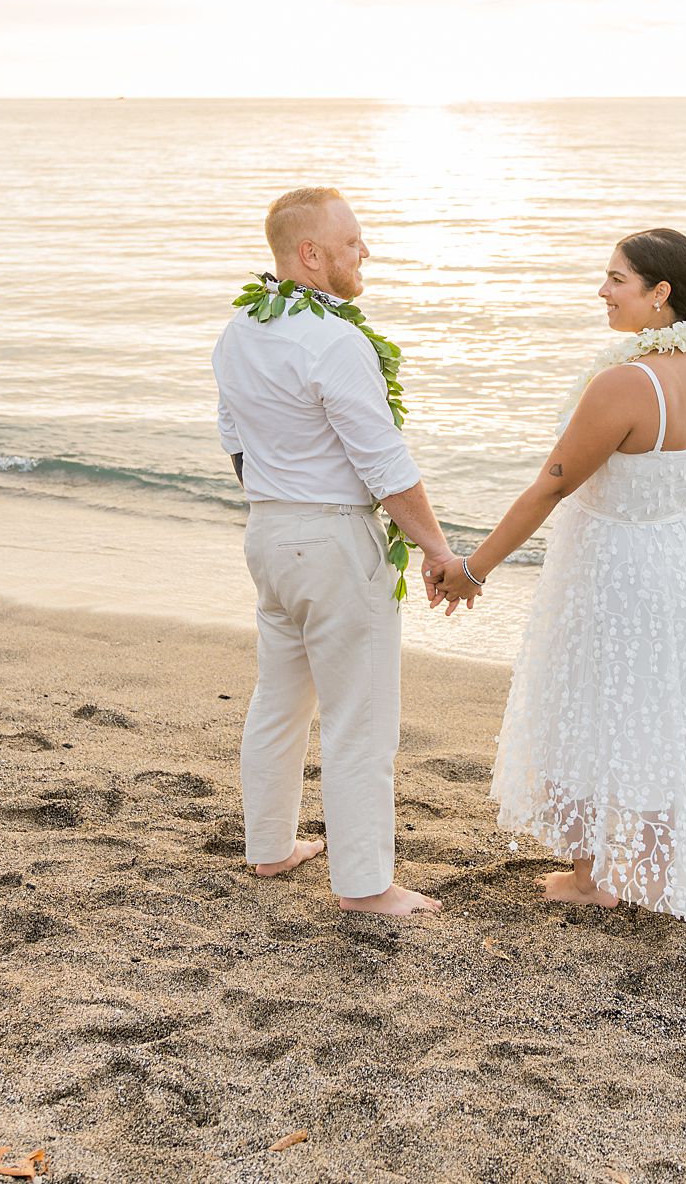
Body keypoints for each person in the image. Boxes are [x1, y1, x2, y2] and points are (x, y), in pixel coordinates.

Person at [427, 228, 686, 921]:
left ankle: (596, 878)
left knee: (602, 706)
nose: (602, 290)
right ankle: (649, 867)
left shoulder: (626, 383)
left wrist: (472, 570)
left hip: (620, 570)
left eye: (616, 279)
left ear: (659, 293)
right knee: (660, 715)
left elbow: (550, 488)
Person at [213, 187, 456, 918]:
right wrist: (439, 550)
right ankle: (365, 885)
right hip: (334, 543)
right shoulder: (337, 341)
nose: (365, 251)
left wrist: (282, 503)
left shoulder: (238, 333)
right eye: (352, 242)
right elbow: (385, 463)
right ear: (309, 254)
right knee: (361, 717)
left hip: (269, 533)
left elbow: (234, 441)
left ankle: (270, 848)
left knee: (279, 699)